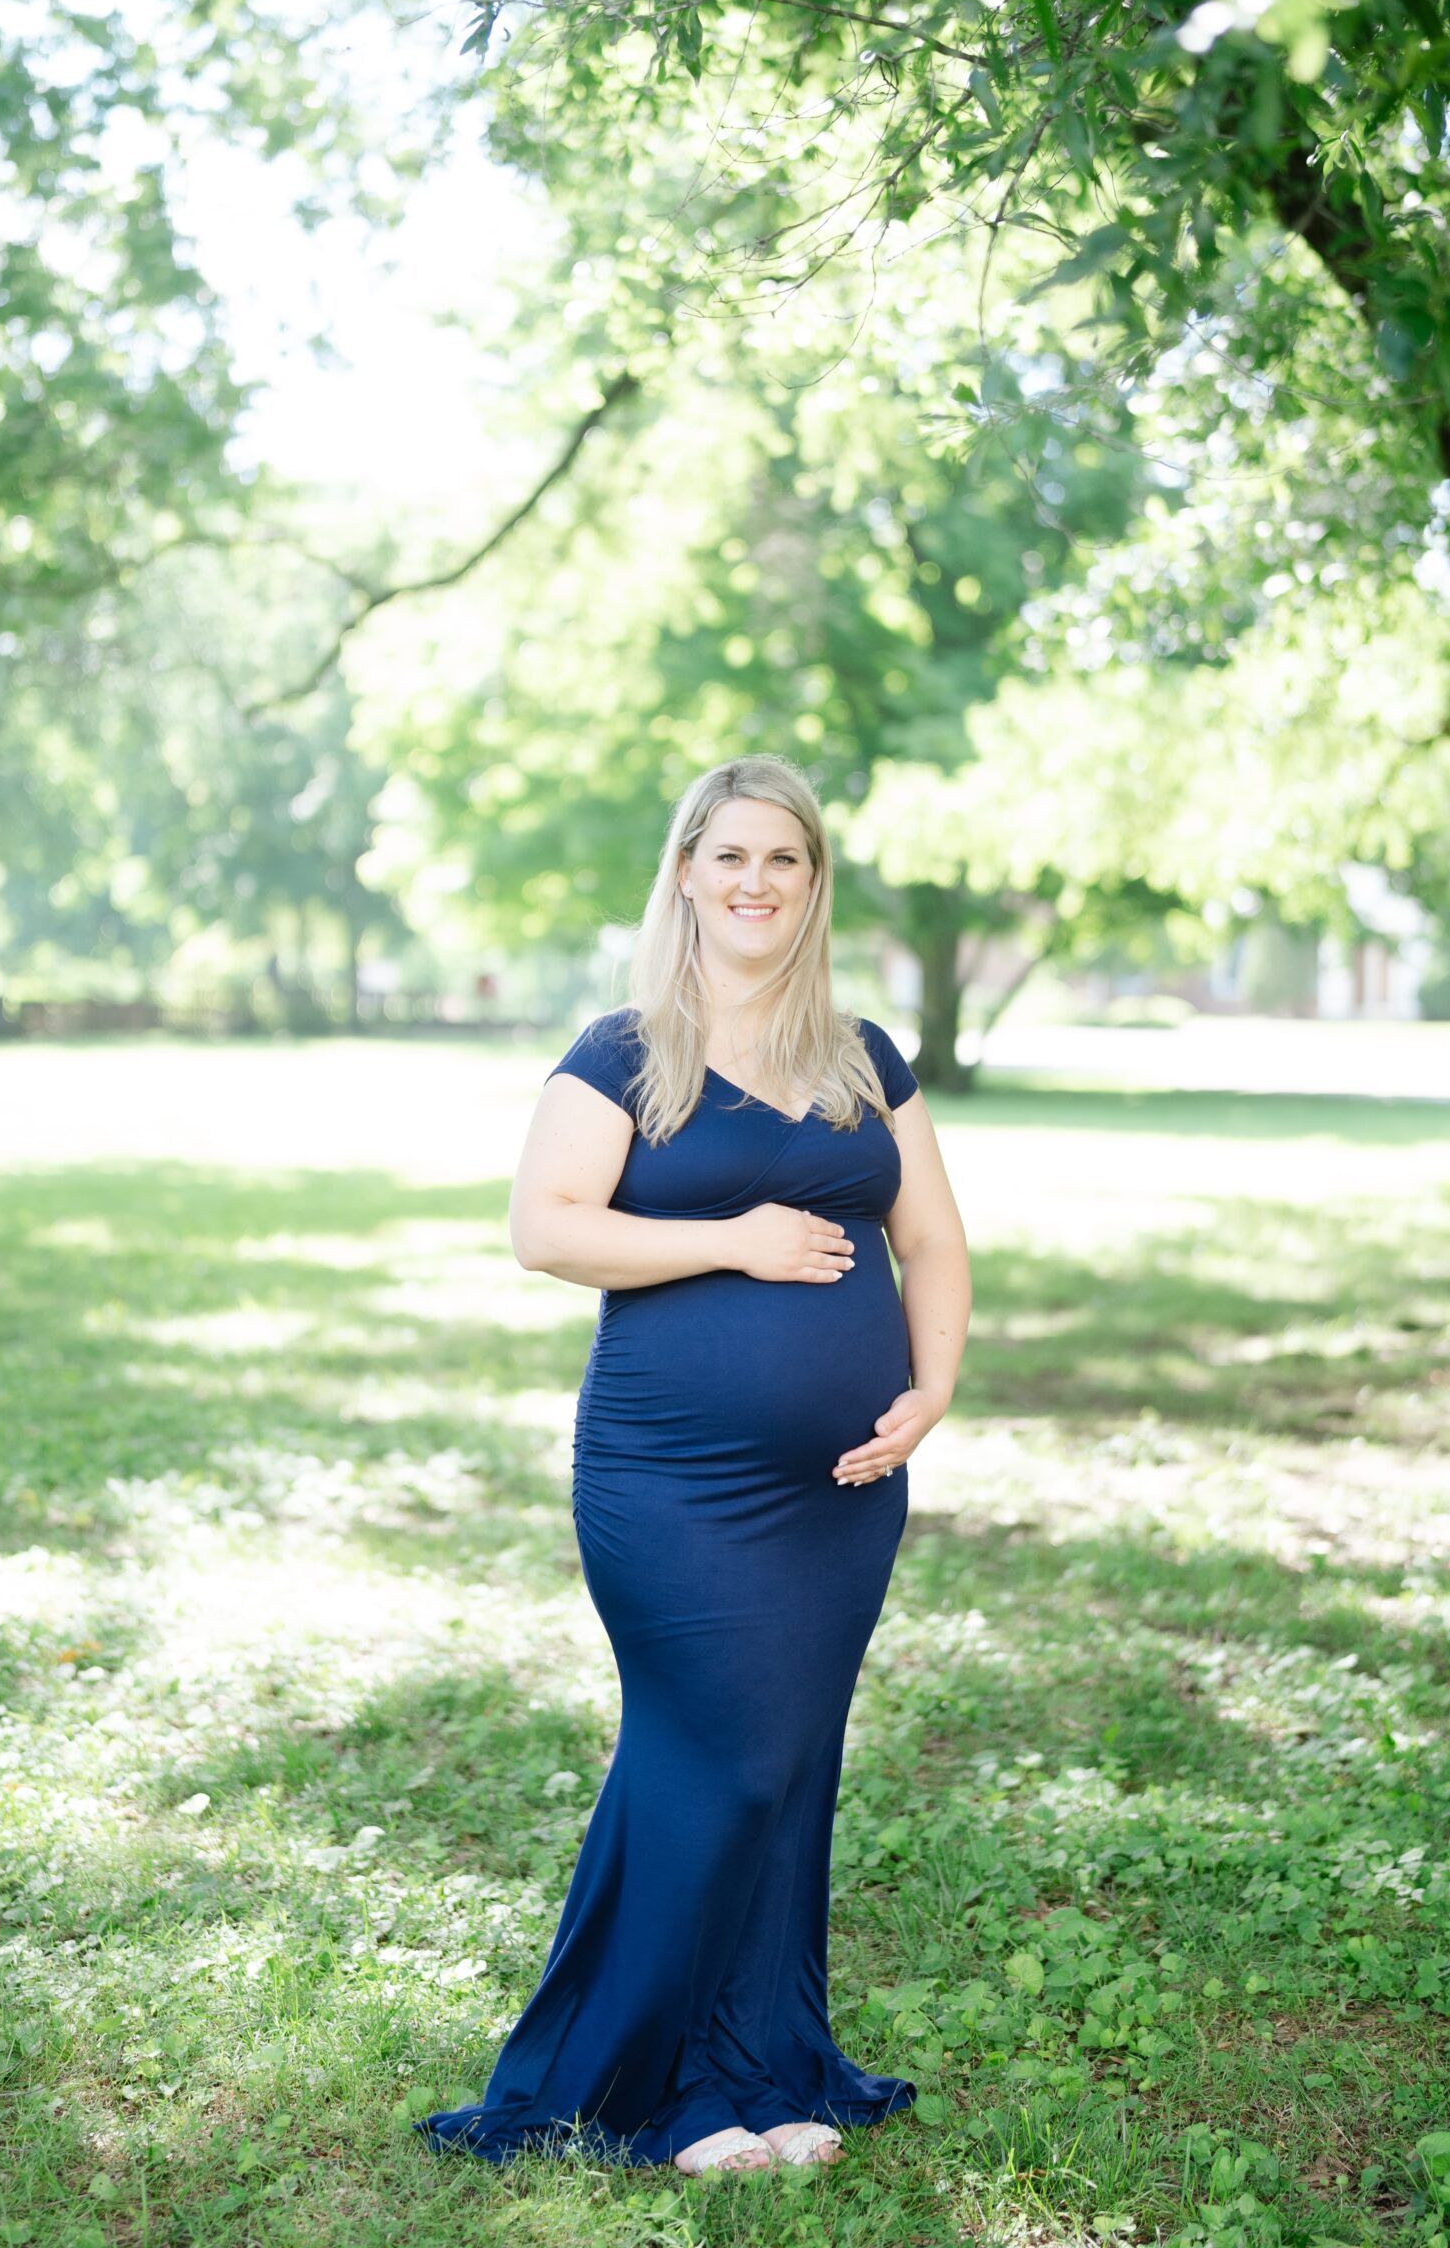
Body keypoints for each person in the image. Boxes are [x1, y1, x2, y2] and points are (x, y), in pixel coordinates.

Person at [415, 754, 972, 2177]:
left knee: (784, 1768)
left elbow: (936, 1242)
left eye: (784, 859)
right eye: (729, 856)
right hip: (671, 1481)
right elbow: (545, 1228)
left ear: (813, 883)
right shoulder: (625, 1052)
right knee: (714, 1763)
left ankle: (761, 2068)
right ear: (684, 872)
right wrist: (734, 1239)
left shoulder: (862, 1058)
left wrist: (931, 1390)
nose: (755, 882)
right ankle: (647, 2093)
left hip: (839, 1494)